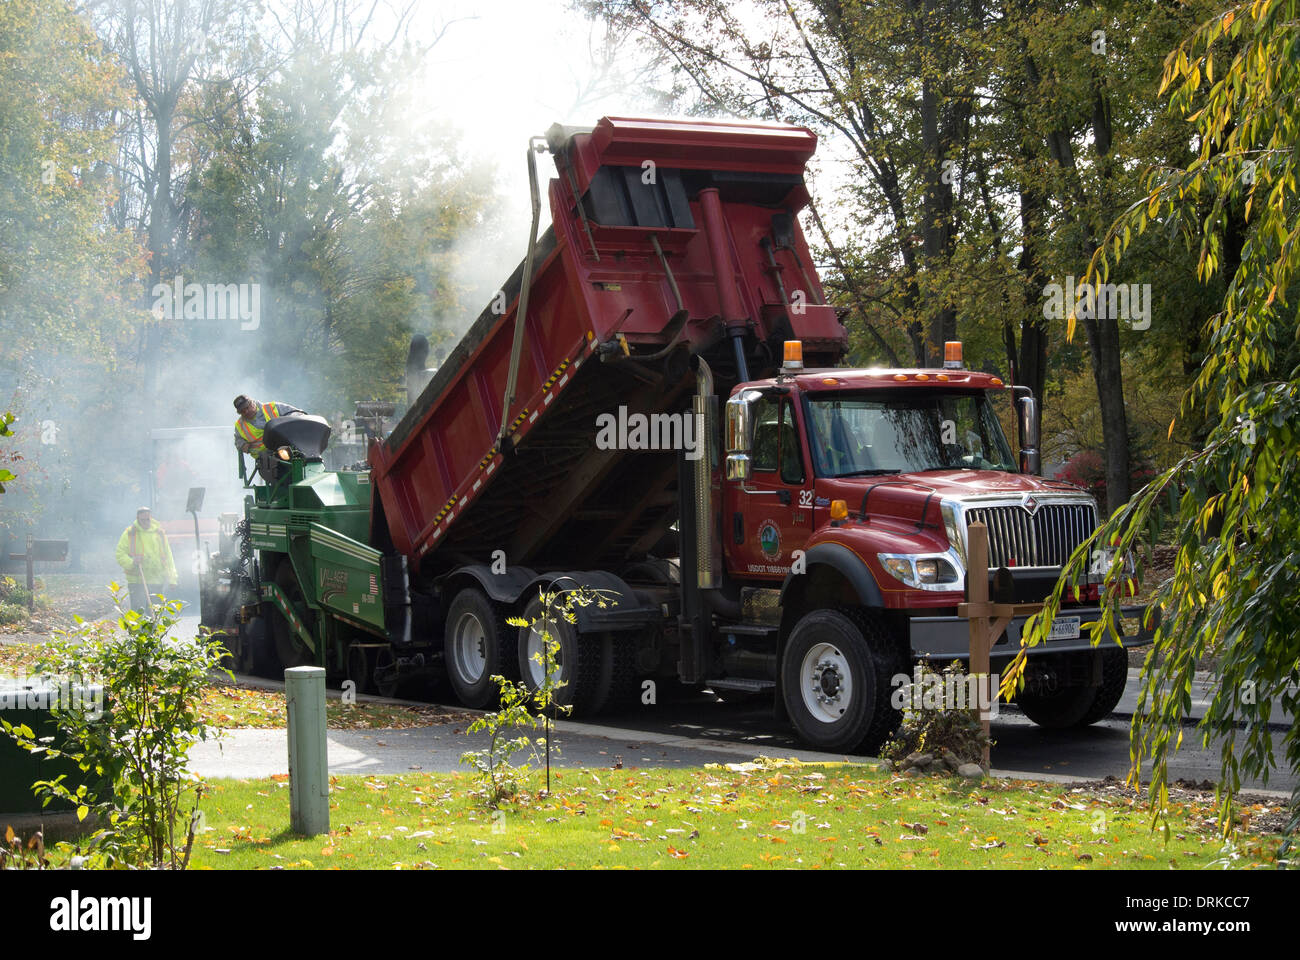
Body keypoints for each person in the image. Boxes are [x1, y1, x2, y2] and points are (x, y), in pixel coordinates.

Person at [114, 506, 177, 613]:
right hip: (137, 581)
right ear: (137, 519)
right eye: (142, 520)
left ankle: (153, 630)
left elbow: (168, 557)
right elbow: (119, 554)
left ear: (151, 518)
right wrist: (132, 561)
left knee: (155, 613)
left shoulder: (159, 533)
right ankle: (138, 630)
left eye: (147, 519)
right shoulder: (130, 533)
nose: (145, 522)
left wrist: (172, 578)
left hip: (157, 581)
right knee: (137, 613)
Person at [233, 395, 302, 457]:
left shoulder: (272, 407)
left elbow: (296, 413)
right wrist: (243, 445)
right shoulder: (240, 425)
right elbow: (238, 440)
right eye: (242, 411)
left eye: (247, 407)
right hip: (265, 460)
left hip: (288, 450)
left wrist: (288, 422)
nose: (246, 412)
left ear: (252, 403)